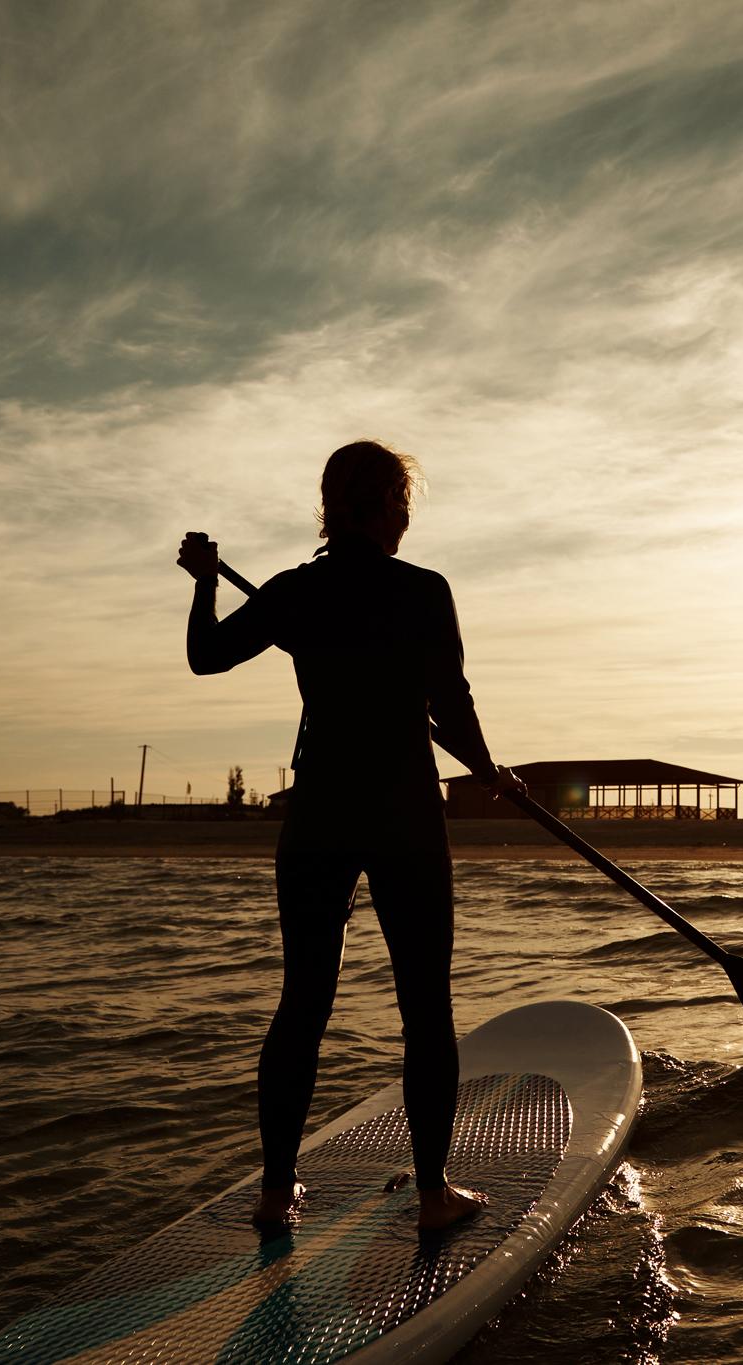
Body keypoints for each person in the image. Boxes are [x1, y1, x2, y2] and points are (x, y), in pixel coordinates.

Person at [176, 439, 525, 1233]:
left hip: (321, 811)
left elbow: (206, 656)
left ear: (331, 509)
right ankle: (435, 1196)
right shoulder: (423, 591)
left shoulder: (297, 592)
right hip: (402, 810)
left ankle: (274, 1193)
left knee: (303, 1002)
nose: (406, 518)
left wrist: (204, 586)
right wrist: (492, 773)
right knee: (425, 1009)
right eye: (403, 504)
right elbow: (452, 712)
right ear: (387, 506)